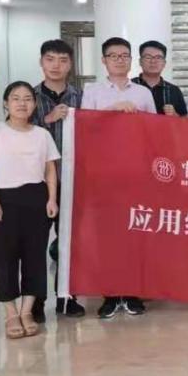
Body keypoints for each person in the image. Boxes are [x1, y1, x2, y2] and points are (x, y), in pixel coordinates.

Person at [0, 82, 59, 339]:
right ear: (6, 103)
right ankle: (11, 313)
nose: (22, 103)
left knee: (35, 257)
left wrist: (52, 199)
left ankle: (27, 311)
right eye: (15, 98)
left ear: (34, 104)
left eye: (27, 98)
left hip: (36, 198)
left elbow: (50, 170)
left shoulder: (42, 135)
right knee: (5, 257)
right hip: (4, 199)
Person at [81, 37, 157, 319]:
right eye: (113, 56)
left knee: (135, 233)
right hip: (104, 174)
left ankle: (133, 292)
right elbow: (85, 125)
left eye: (124, 56)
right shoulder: (93, 91)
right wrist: (112, 110)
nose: (119, 60)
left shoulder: (143, 93)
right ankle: (111, 294)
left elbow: (155, 131)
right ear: (104, 60)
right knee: (108, 236)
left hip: (136, 173)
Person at [32, 39, 85, 320]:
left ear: (70, 65)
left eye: (63, 60)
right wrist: (48, 120)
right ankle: (36, 302)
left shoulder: (81, 98)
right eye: (50, 59)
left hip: (72, 182)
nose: (56, 65)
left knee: (69, 242)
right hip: (35, 182)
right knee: (35, 244)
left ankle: (67, 298)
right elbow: (16, 130)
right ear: (41, 62)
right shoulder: (28, 96)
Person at [132, 40, 188, 117]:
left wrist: (175, 115)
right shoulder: (130, 86)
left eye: (158, 57)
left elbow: (185, 120)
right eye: (148, 57)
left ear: (164, 63)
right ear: (140, 62)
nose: (153, 61)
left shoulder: (174, 90)